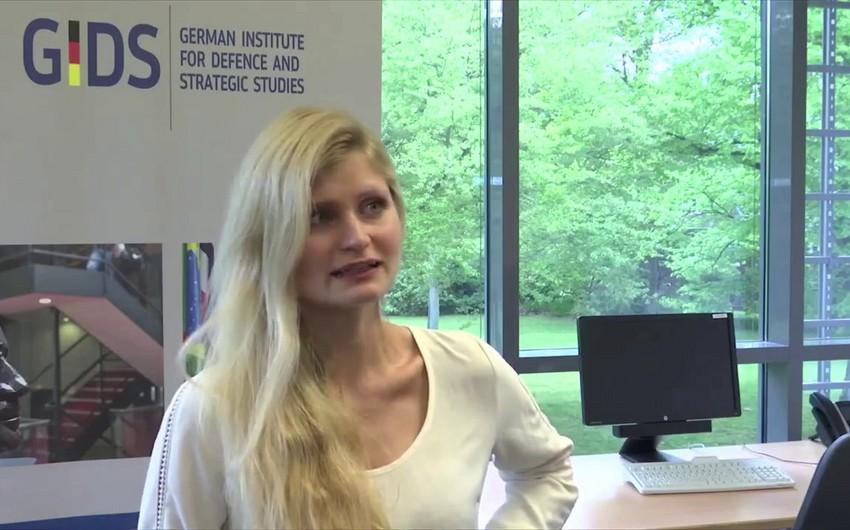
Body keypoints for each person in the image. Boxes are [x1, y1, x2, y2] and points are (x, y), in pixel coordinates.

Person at [138, 108, 578, 529]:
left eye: (372, 206)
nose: (356, 237)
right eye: (319, 217)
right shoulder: (215, 409)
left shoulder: (468, 368)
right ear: (269, 240)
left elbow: (548, 473)